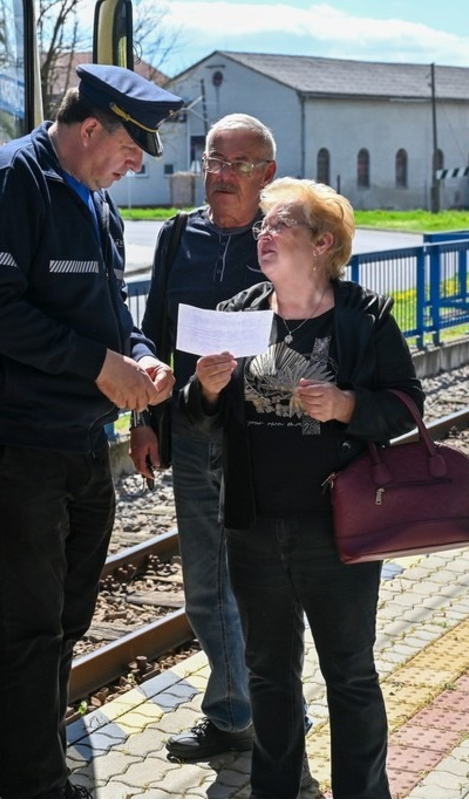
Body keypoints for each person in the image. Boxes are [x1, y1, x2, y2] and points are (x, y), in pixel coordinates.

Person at [0, 64, 184, 799]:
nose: (137, 164)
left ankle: (41, 765)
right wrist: (97, 363)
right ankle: (35, 786)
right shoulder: (9, 181)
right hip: (17, 442)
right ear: (90, 129)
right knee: (29, 624)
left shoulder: (96, 203)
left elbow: (112, 312)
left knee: (71, 611)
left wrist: (138, 360)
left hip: (81, 438)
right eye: (132, 148)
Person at [184, 177, 424, 798]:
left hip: (337, 528)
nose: (263, 234)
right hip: (255, 527)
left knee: (349, 674)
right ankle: (275, 790)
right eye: (263, 226)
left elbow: (405, 405)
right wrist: (205, 389)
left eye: (279, 225)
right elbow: (199, 417)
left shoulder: (363, 317)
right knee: (268, 676)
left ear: (321, 244)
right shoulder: (239, 314)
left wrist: (346, 405)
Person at [129, 113, 277, 760]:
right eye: (213, 162)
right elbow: (152, 332)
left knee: (263, 583)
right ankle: (231, 716)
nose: (221, 177)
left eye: (238, 166)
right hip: (191, 430)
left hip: (263, 441)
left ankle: (271, 714)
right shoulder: (175, 236)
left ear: (265, 175)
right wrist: (142, 419)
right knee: (204, 587)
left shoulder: (285, 238)